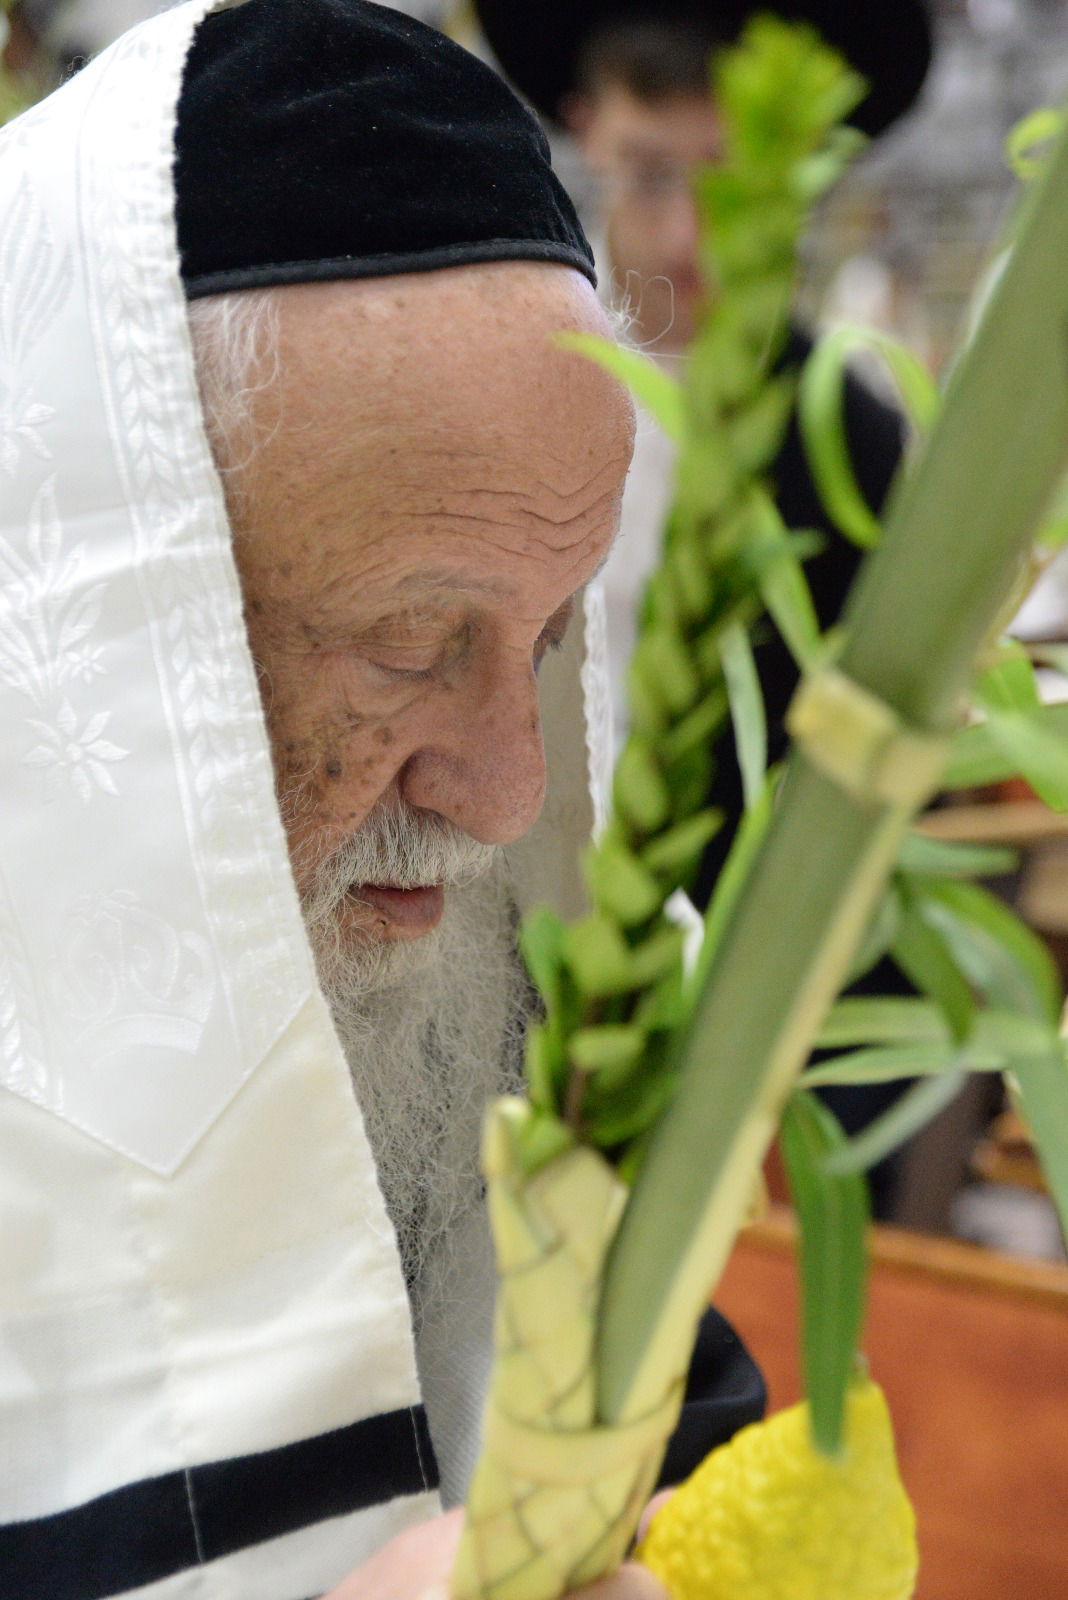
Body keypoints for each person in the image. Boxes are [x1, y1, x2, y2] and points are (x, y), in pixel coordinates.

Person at [0, 2, 764, 1596]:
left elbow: (696, 1459)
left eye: (553, 642)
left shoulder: (502, 1020)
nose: (511, 796)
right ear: (106, 658)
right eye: (411, 645)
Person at [474, 0, 932, 1213]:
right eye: (649, 173)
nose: (683, 235)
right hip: (500, 991)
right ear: (584, 128)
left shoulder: (845, 432)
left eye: (729, 186)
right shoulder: (506, 380)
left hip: (748, 1033)